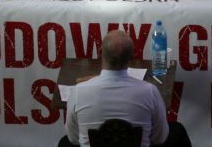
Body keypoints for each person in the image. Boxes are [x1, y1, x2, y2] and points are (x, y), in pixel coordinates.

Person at [58, 30, 191, 147]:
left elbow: (73, 139)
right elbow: (159, 138)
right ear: (132, 57)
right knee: (177, 130)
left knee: (64, 142)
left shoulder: (78, 92)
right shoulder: (150, 91)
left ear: (100, 52)